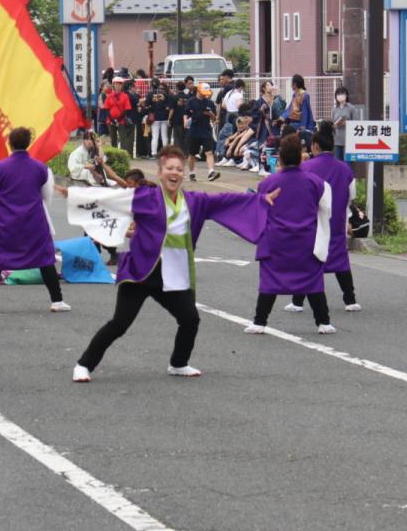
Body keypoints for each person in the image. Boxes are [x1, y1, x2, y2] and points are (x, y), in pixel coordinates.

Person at [66, 145, 268, 382]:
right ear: (160, 173)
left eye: (179, 169)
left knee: (190, 319)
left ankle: (179, 363)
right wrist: (71, 195)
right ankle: (83, 364)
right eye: (170, 168)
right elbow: (112, 200)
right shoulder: (146, 197)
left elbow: (225, 200)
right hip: (141, 272)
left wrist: (261, 200)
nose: (175, 172)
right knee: (120, 323)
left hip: (171, 275)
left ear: (183, 174)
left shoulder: (194, 201)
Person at [0, 127, 70, 316]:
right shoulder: (41, 168)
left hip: (6, 222)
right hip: (34, 222)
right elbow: (46, 198)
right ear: (28, 142)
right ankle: (57, 300)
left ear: (10, 143)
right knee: (45, 260)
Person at [244, 134, 334, 335]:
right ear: (301, 157)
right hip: (306, 240)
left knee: (269, 281)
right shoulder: (315, 182)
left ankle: (260, 321)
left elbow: (258, 211)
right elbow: (326, 210)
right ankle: (323, 321)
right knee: (312, 280)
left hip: (276, 240)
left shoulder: (268, 183)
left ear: (280, 157)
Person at [289, 125, 360, 313]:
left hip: (311, 222)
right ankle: (350, 299)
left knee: (308, 261)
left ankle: (297, 301)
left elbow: (297, 195)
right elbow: (352, 195)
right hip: (336, 221)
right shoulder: (345, 169)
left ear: (315, 146)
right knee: (340, 261)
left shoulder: (305, 167)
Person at [184, 82, 220, 182]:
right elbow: (186, 113)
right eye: (203, 92)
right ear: (199, 90)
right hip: (194, 131)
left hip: (206, 130)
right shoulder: (191, 101)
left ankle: (211, 172)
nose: (205, 94)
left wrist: (211, 114)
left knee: (209, 152)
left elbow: (214, 119)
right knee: (192, 154)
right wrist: (185, 122)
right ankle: (191, 173)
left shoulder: (209, 103)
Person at [329, 87, 362, 161]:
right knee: (338, 162)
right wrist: (334, 125)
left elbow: (356, 123)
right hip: (337, 139)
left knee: (348, 162)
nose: (340, 96)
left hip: (348, 139)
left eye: (342, 93)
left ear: (346, 95)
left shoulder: (351, 108)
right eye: (338, 94)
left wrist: (346, 123)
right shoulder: (334, 109)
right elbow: (332, 123)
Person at [104, 77, 133, 155]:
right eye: (116, 84)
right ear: (113, 85)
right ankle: (114, 154)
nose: (118, 86)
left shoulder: (125, 96)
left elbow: (126, 109)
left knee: (122, 138)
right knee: (113, 139)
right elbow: (106, 109)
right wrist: (112, 120)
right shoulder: (109, 96)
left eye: (119, 84)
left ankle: (122, 155)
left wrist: (119, 119)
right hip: (110, 120)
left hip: (122, 120)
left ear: (122, 86)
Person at [286, 75, 316, 141]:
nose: (291, 85)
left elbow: (305, 112)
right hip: (293, 123)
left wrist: (303, 126)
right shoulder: (294, 94)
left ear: (295, 84)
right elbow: (289, 108)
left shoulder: (304, 95)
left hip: (300, 125)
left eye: (292, 83)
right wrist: (282, 117)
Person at [149, 82, 172, 155]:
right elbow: (169, 106)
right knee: (164, 136)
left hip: (155, 117)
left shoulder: (150, 94)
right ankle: (166, 152)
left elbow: (147, 105)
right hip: (164, 117)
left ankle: (153, 153)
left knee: (155, 136)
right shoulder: (165, 94)